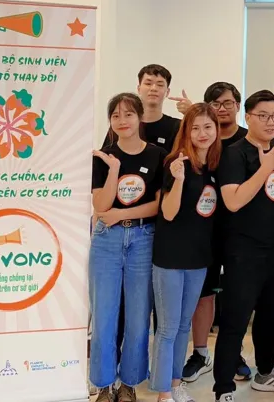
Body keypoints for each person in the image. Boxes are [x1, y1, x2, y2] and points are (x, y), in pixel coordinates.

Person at [212, 90, 274, 402]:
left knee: (269, 316)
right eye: (262, 116)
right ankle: (223, 387)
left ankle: (266, 372)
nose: (270, 122)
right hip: (243, 251)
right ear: (248, 117)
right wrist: (264, 169)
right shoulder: (234, 154)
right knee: (235, 321)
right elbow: (233, 201)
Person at [90, 93, 165, 402]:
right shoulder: (102, 156)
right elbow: (101, 205)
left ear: (140, 117)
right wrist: (113, 170)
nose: (122, 121)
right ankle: (104, 383)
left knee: (138, 316)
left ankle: (129, 383)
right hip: (106, 239)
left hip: (143, 239)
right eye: (116, 116)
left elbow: (158, 205)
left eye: (128, 114)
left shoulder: (158, 155)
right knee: (104, 315)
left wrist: (122, 214)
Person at [150, 103, 222, 402]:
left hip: (199, 258)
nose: (202, 133)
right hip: (170, 258)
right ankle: (163, 392)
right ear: (186, 132)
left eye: (208, 127)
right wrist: (179, 181)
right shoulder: (176, 163)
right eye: (195, 128)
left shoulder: (215, 166)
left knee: (183, 326)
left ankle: (176, 382)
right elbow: (168, 212)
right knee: (168, 328)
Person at [183, 82, 250, 384]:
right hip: (202, 234)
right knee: (204, 294)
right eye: (215, 104)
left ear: (238, 105)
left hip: (239, 233)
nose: (222, 109)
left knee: (237, 296)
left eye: (227, 103)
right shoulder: (197, 143)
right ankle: (200, 353)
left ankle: (233, 353)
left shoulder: (247, 141)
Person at [101, 64, 183, 153]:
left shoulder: (177, 126)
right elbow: (105, 154)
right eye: (148, 83)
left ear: (167, 91)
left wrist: (190, 112)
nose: (153, 88)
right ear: (139, 88)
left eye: (160, 85)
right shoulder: (123, 124)